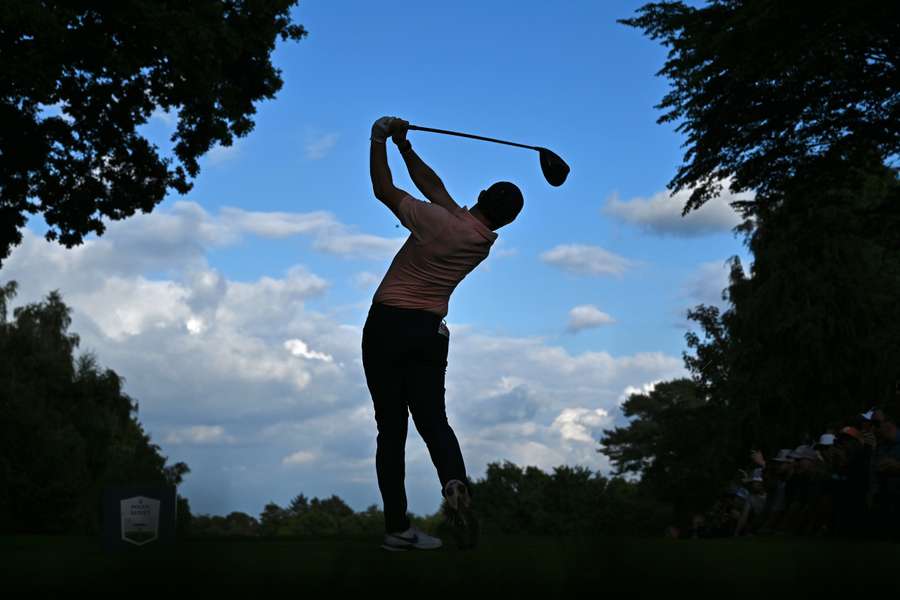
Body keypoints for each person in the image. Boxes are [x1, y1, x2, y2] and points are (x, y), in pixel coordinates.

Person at [364, 116, 524, 551]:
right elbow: (436, 190)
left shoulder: (438, 222)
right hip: (430, 332)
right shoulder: (480, 238)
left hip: (387, 325)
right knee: (433, 419)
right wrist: (405, 147)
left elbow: (384, 189)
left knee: (391, 430)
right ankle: (454, 481)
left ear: (480, 196)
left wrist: (378, 138)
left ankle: (398, 529)